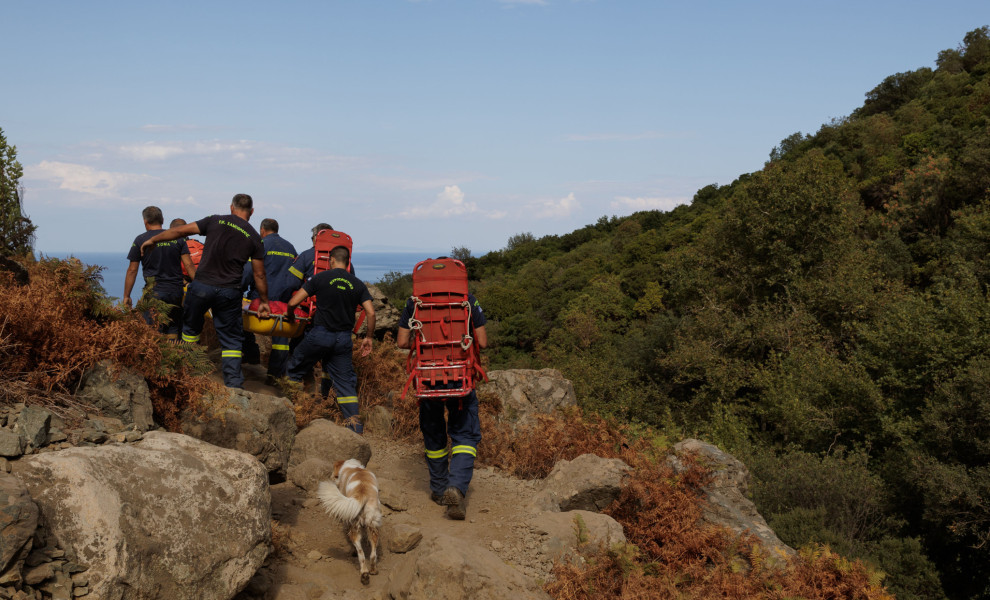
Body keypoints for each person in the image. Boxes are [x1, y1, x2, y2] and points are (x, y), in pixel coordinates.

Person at [141, 194, 270, 389]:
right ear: (252, 211)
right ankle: (234, 385)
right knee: (231, 341)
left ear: (231, 207)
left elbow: (180, 231)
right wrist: (264, 301)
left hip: (201, 287)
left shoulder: (215, 220)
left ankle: (187, 373)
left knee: (190, 330)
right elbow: (259, 275)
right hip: (230, 292)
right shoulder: (254, 237)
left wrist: (154, 240)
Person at [396, 278, 488, 521]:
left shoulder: (414, 303)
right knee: (465, 436)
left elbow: (402, 341)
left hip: (428, 377)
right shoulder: (468, 300)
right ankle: (456, 487)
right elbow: (483, 341)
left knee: (433, 432)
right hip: (460, 377)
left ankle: (438, 490)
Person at [284, 245, 375, 433]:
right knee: (345, 384)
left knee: (294, 367)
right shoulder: (358, 284)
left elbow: (293, 302)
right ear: (348, 262)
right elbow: (371, 313)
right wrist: (369, 337)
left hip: (320, 335)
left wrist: (290, 315)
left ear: (331, 260)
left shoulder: (320, 278)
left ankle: (289, 414)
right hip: (343, 339)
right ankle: (355, 430)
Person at [124, 206, 196, 340]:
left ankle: (158, 353)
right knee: (173, 328)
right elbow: (189, 265)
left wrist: (127, 295)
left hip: (154, 292)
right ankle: (172, 352)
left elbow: (132, 270)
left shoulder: (140, 240)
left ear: (145, 221)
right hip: (176, 292)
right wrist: (198, 286)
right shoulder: (177, 238)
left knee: (153, 331)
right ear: (162, 220)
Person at [241, 218, 297, 382]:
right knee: (281, 338)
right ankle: (275, 376)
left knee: (240, 321)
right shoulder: (290, 248)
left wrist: (239, 289)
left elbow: (249, 271)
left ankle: (251, 356)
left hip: (261, 298)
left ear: (262, 230)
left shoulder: (260, 244)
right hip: (283, 300)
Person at [170, 218, 204, 284]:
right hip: (205, 279)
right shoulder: (197, 243)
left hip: (186, 281)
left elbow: (188, 265)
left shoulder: (172, 246)